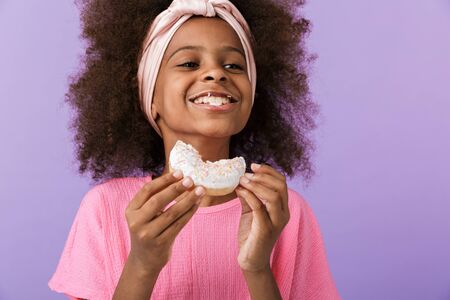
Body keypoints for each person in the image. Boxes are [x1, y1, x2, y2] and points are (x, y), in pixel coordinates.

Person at [48, 0, 341, 299]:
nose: (216, 73)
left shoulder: (283, 211)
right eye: (189, 63)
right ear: (151, 97)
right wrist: (142, 264)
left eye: (234, 65)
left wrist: (257, 268)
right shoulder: (106, 209)